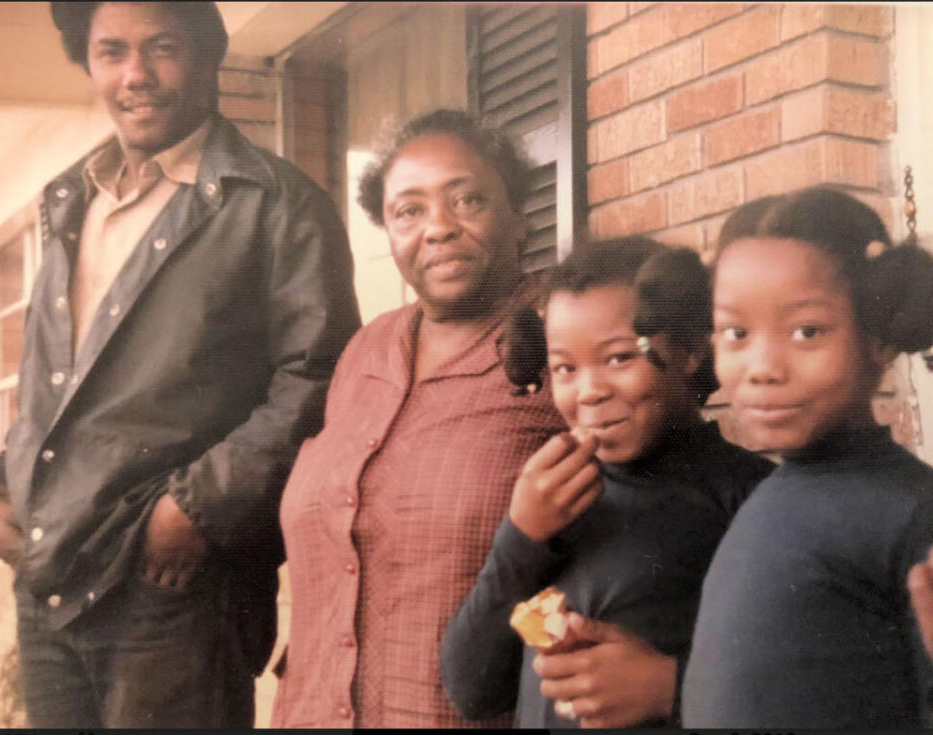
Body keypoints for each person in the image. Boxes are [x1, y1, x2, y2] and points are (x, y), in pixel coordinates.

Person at [0, 2, 361, 727]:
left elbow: (319, 376)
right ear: (87, 64)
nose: (136, 75)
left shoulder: (278, 205)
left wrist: (197, 508)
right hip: (51, 581)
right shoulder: (69, 200)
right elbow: (58, 384)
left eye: (161, 48)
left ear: (209, 54)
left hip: (172, 586)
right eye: (111, 51)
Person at [269, 109, 568, 728]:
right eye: (409, 210)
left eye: (468, 200)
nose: (439, 229)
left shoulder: (564, 342)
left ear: (518, 216)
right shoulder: (364, 353)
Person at [439, 237, 773, 728]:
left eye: (619, 358)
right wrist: (520, 539)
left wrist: (671, 690)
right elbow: (470, 689)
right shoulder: (552, 501)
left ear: (688, 350)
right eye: (565, 369)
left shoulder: (751, 499)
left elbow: (804, 689)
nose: (589, 391)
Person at [682, 186, 933, 728]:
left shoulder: (913, 515)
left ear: (880, 338)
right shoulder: (771, 492)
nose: (762, 367)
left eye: (807, 331)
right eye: (736, 333)